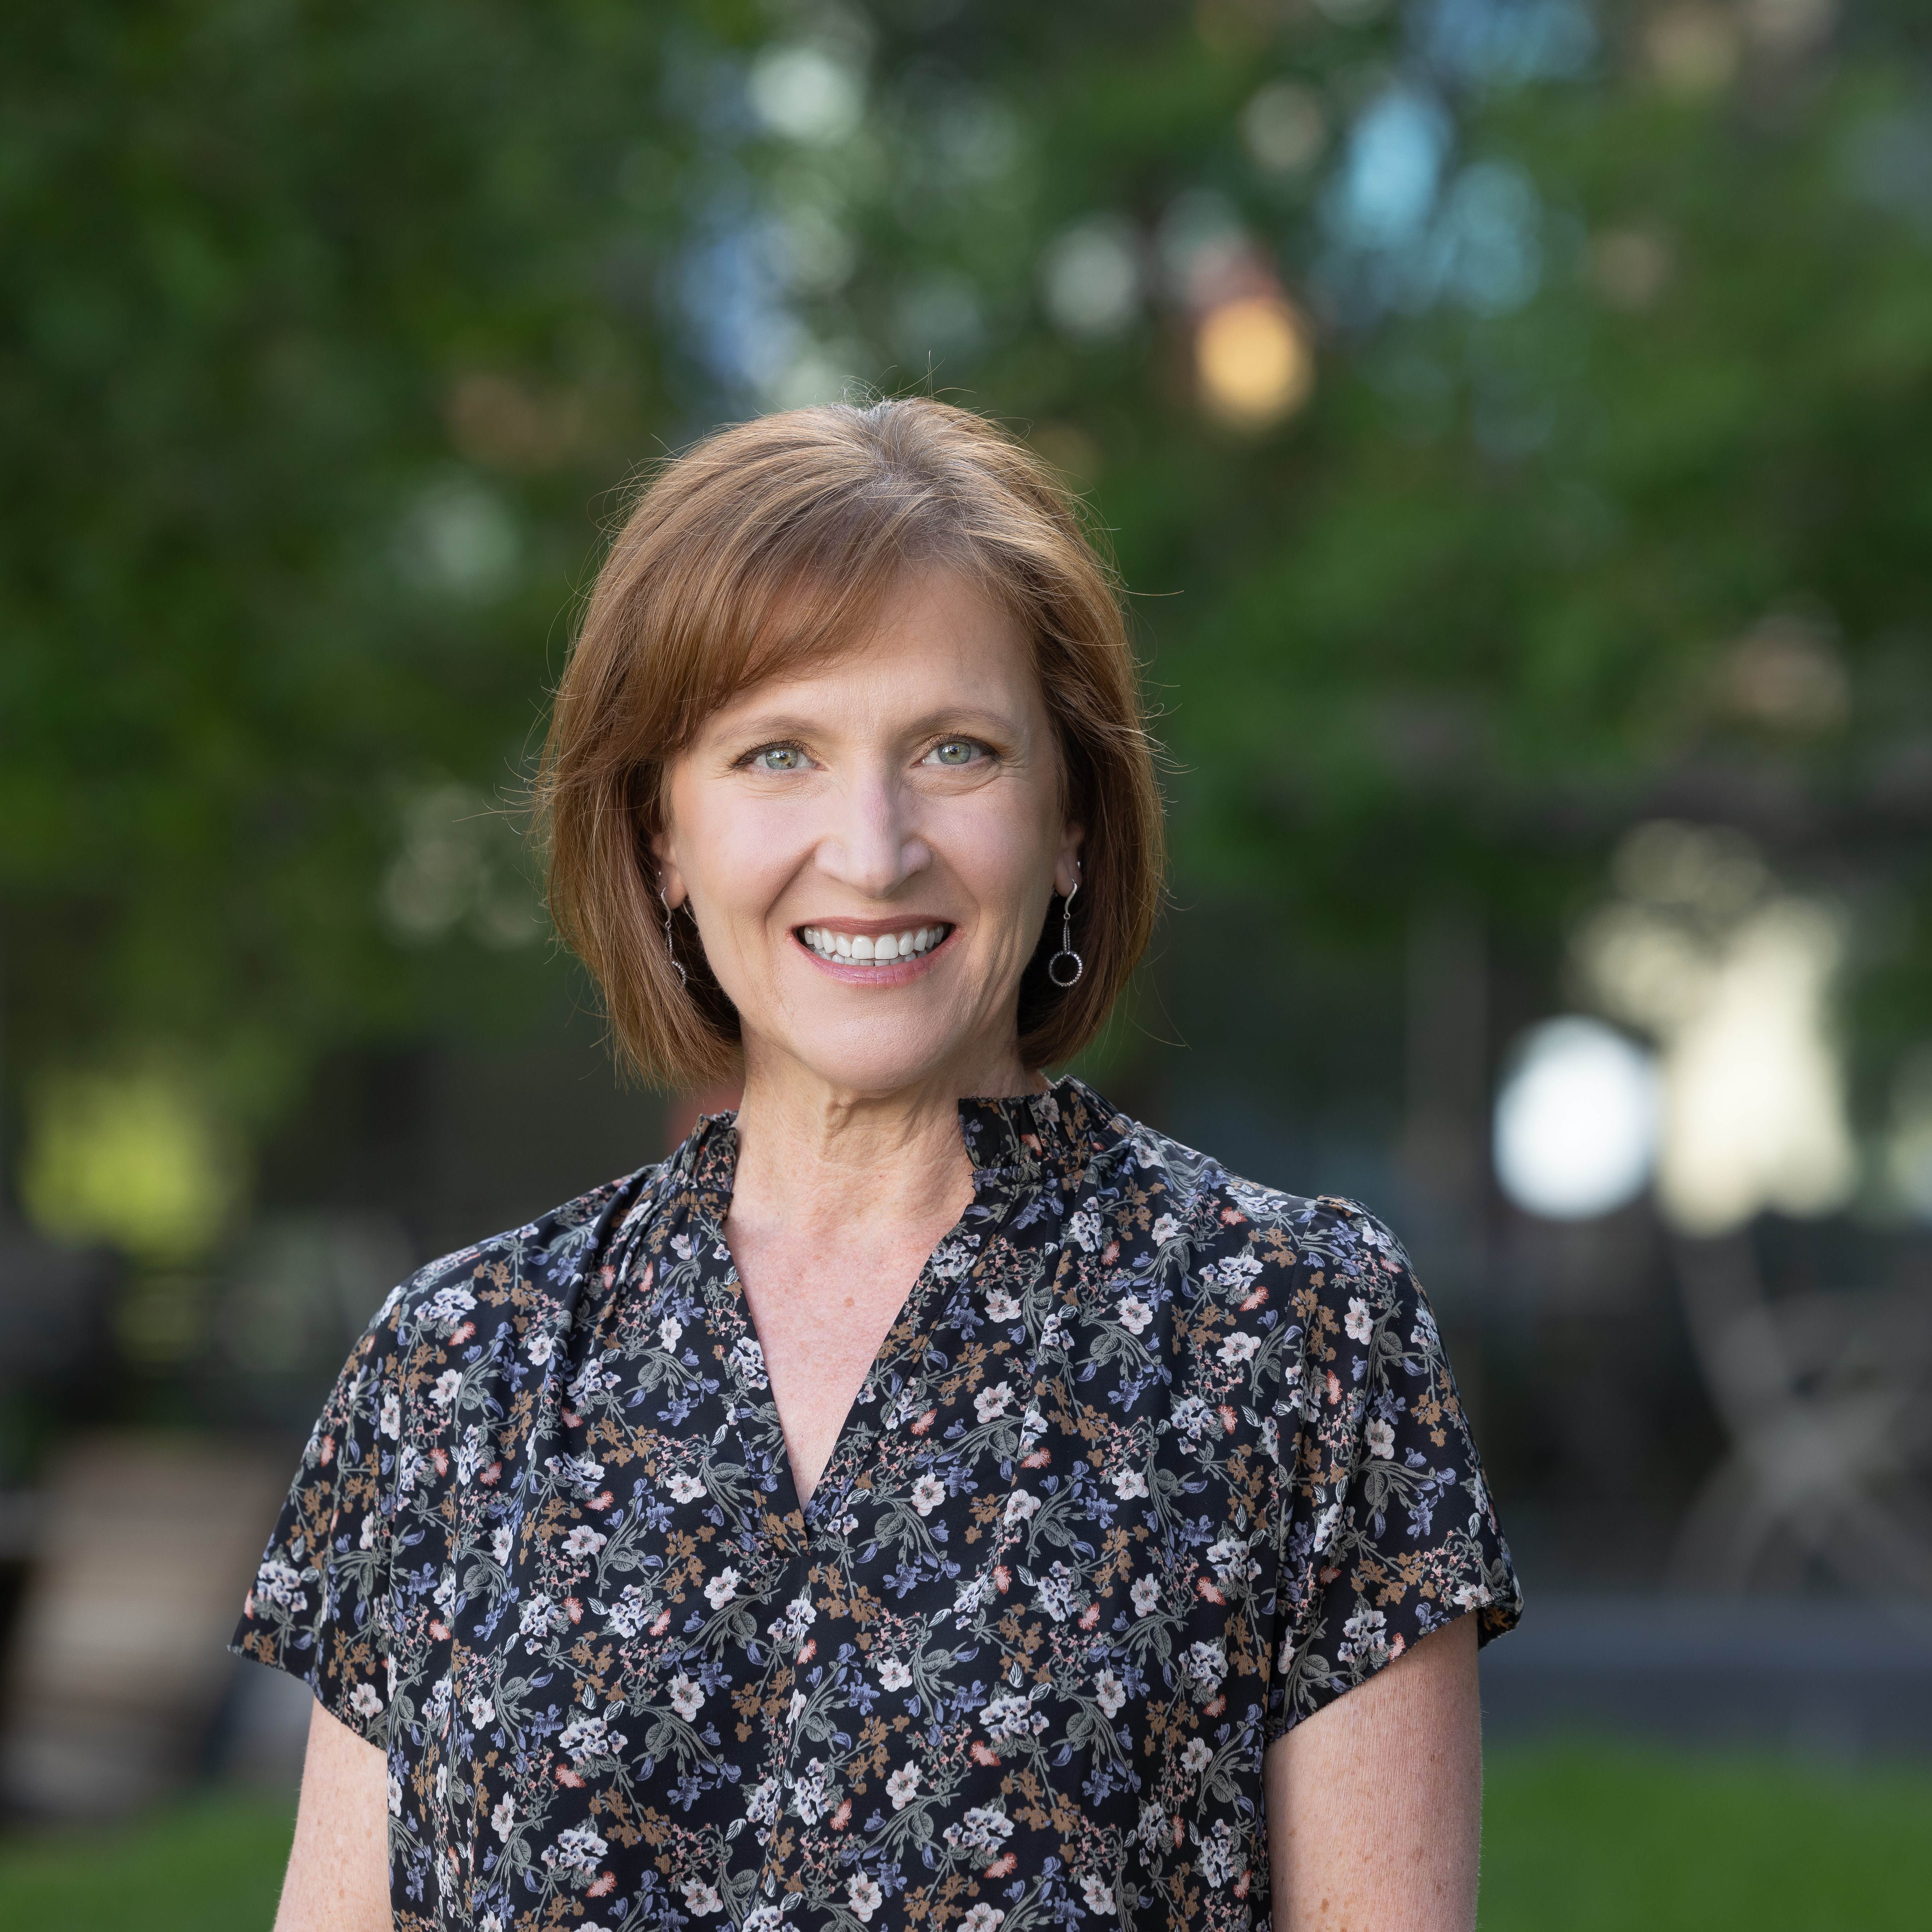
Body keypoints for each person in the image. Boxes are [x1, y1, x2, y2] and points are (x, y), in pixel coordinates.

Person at [234, 397, 1521, 1932]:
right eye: (777, 752)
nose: (873, 843)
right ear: (660, 833)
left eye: (955, 752)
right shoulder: (455, 1371)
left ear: (1069, 828)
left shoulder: (1294, 1334)